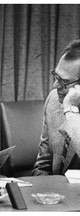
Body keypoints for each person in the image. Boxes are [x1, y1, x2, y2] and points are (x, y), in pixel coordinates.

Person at [32, 39, 80, 175]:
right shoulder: (54, 100)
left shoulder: (67, 104)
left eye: (64, 81)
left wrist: (71, 110)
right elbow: (43, 164)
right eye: (56, 76)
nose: (55, 85)